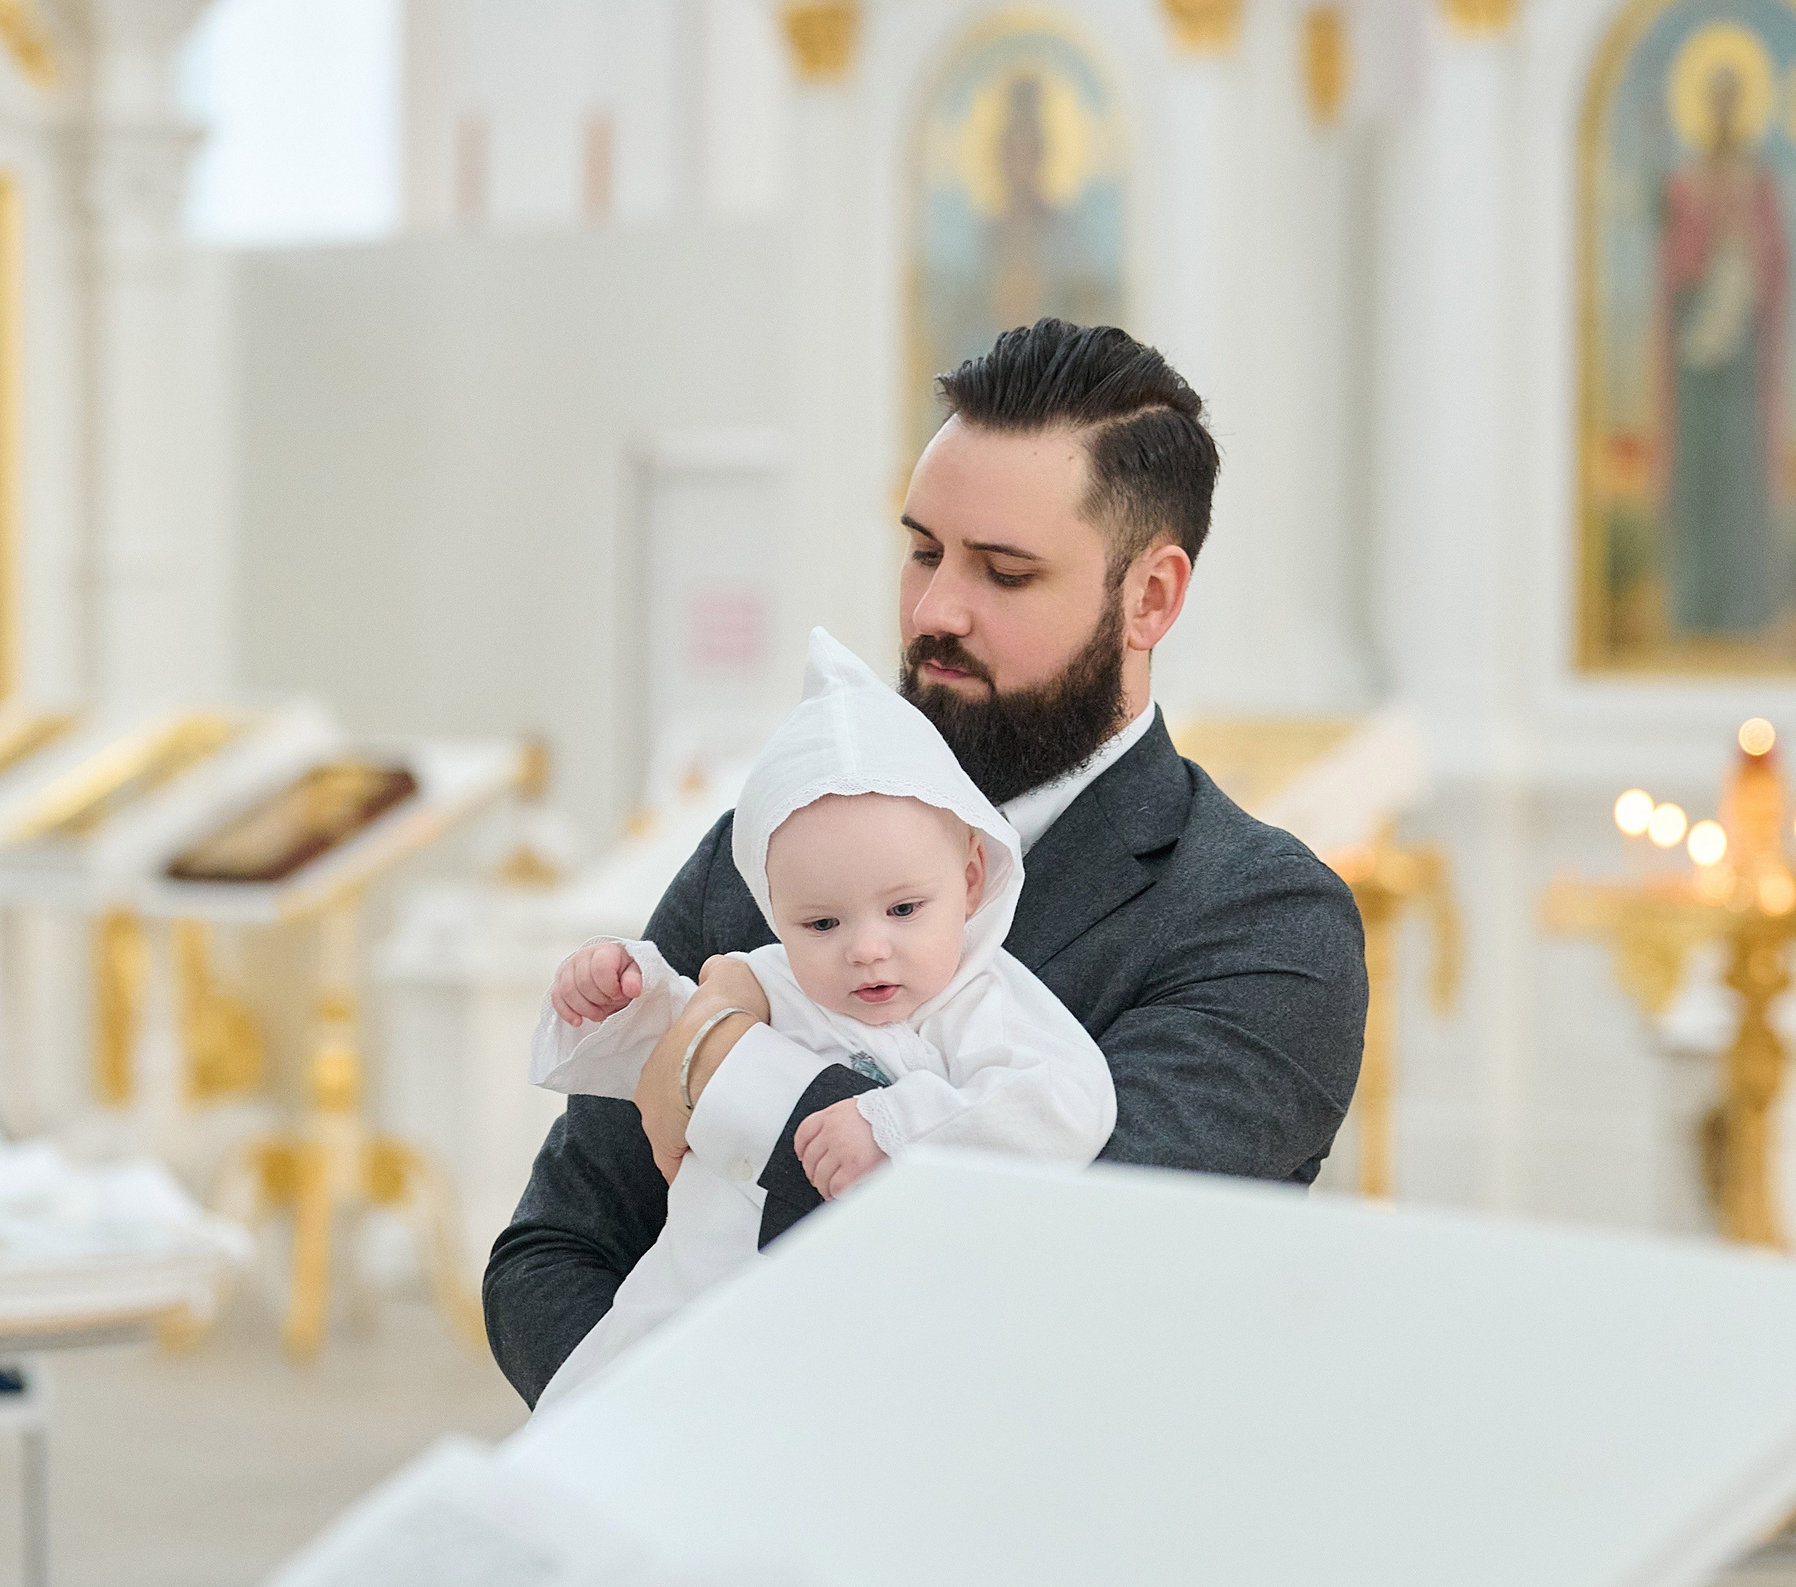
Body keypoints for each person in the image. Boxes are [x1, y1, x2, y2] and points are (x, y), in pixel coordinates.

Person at [484, 319, 1371, 1408]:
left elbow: (1022, 1282)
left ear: (1150, 597)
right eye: (922, 550)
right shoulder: (775, 847)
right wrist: (661, 1452)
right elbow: (552, 1252)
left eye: (1004, 571)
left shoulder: (1260, 921)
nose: (936, 610)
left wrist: (716, 1051)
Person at [528, 629, 1113, 1406]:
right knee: (603, 1433)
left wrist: (895, 1125)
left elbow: (1065, 1103)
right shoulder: (766, 977)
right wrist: (614, 991)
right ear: (775, 911)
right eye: (821, 924)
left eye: (904, 908)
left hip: (831, 1348)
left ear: (971, 878)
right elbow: (670, 1043)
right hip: (678, 1308)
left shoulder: (985, 1003)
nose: (868, 950)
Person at [1657, 62, 1789, 639]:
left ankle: (1744, 605)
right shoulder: (1685, 180)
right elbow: (1673, 266)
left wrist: (1747, 248)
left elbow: (1776, 259)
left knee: (1738, 474)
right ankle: (1694, 606)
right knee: (1698, 475)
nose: (1723, 110)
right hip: (1694, 356)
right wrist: (1702, 240)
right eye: (1714, 98)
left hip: (1740, 358)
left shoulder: (1756, 180)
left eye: (1732, 98)